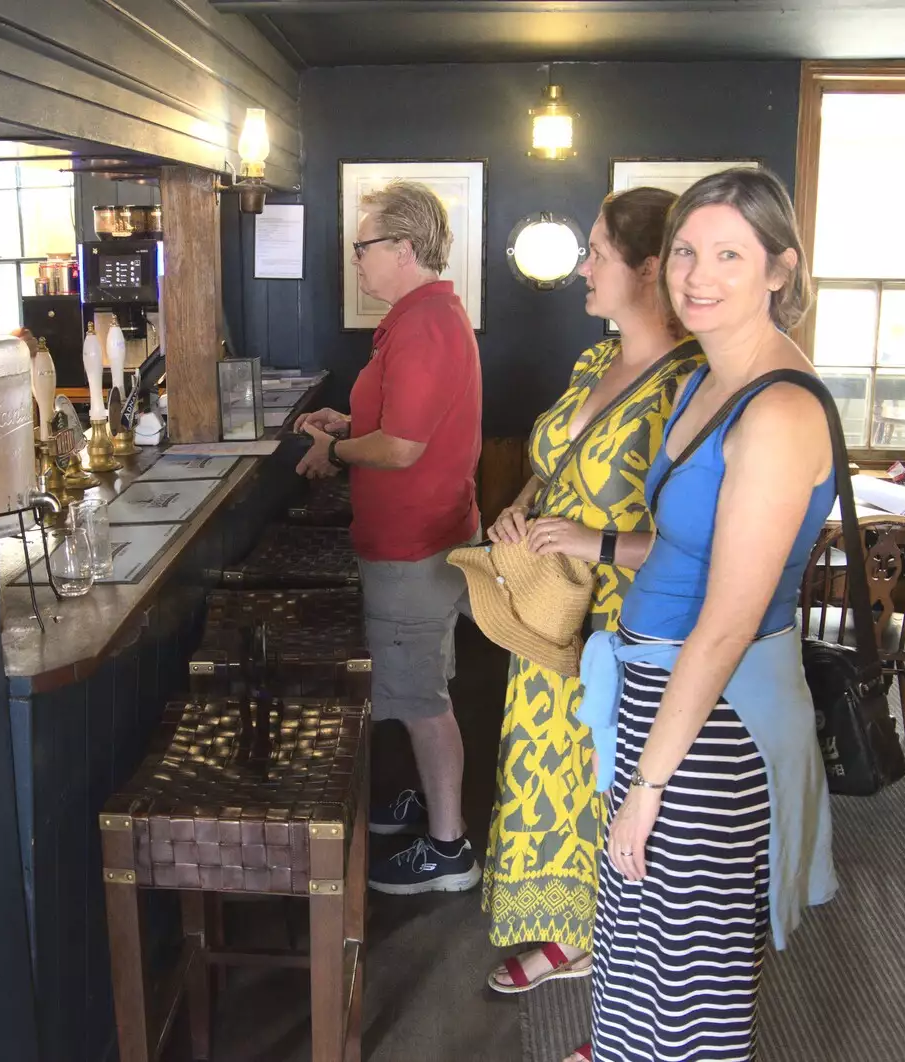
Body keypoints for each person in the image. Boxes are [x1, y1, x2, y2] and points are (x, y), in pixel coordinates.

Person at [567, 168, 838, 1062]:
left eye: (730, 253)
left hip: (715, 716)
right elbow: (692, 553)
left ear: (779, 270)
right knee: (635, 947)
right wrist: (590, 545)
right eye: (686, 250)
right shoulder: (709, 381)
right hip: (660, 690)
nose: (697, 273)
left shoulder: (781, 409)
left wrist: (645, 788)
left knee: (689, 973)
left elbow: (726, 621)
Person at [480, 189, 704, 994]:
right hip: (553, 607)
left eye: (598, 251)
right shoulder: (595, 361)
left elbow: (711, 548)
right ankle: (572, 940)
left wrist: (593, 541)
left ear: (649, 269)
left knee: (611, 788)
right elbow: (554, 468)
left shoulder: (694, 384)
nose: (584, 265)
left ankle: (629, 979)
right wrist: (522, 505)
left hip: (624, 626)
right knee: (552, 773)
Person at [295, 179, 484, 895]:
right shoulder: (420, 317)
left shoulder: (425, 323)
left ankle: (449, 849)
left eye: (363, 246)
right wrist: (348, 426)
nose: (357, 259)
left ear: (403, 248)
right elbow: (407, 424)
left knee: (422, 698)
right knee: (418, 686)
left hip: (412, 546)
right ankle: (433, 808)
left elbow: (403, 447)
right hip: (424, 535)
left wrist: (336, 453)